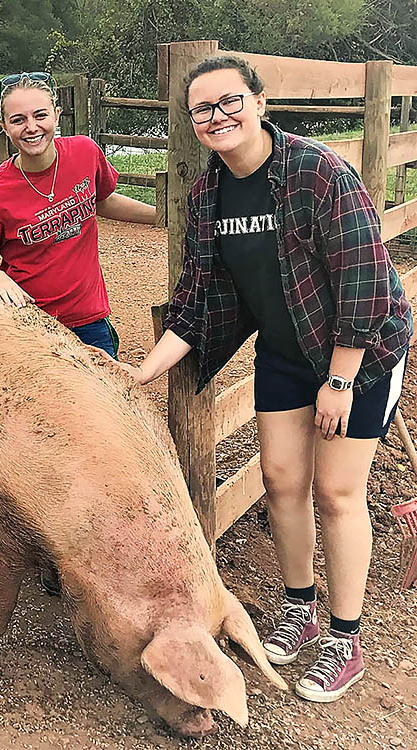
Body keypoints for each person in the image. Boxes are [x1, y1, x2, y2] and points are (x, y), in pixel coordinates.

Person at [122, 55, 412, 703]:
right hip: (286, 349)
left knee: (336, 491)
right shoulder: (208, 196)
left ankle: (345, 637)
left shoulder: (318, 175)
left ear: (259, 102)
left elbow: (365, 281)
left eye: (230, 102)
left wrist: (338, 383)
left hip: (360, 350)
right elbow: (194, 301)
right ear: (192, 122)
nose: (218, 116)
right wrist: (139, 374)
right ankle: (300, 605)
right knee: (283, 481)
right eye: (203, 108)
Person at [0, 71, 157, 359]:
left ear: (56, 114)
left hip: (88, 316)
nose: (31, 127)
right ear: (3, 126)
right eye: (18, 120)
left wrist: (162, 216)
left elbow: (101, 200)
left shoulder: (85, 153)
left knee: (103, 396)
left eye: (40, 115)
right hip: (27, 321)